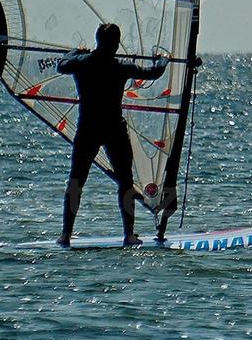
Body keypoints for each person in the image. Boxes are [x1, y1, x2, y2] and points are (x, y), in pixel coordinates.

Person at [55, 23, 168, 247]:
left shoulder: (82, 64)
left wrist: (76, 52)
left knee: (76, 180)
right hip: (113, 129)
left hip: (88, 128)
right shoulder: (120, 66)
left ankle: (66, 234)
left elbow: (61, 64)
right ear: (116, 44)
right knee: (125, 181)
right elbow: (154, 72)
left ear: (97, 40)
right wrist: (163, 58)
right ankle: (129, 235)